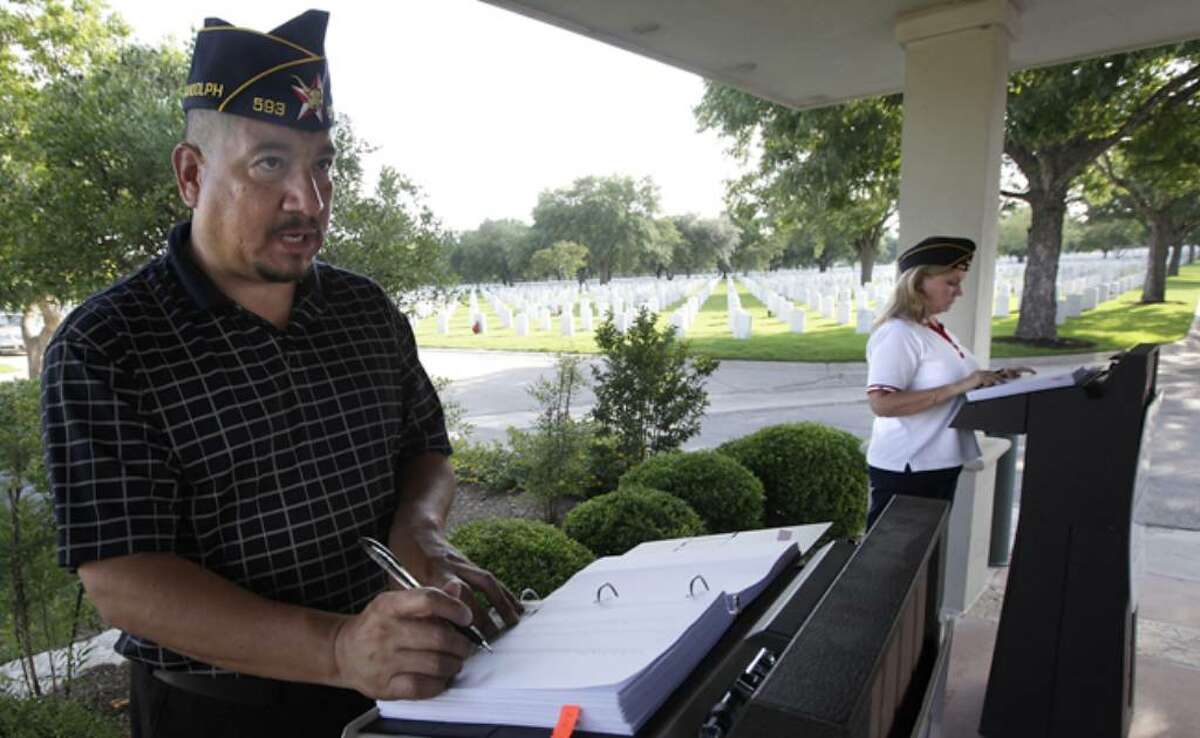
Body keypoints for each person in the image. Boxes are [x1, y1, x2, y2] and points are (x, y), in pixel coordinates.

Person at [41, 11, 520, 737]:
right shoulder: (109, 344)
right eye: (270, 163)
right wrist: (335, 647)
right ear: (192, 174)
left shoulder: (363, 308)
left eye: (323, 163)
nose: (311, 200)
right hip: (218, 712)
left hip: (392, 681)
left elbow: (424, 447)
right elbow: (124, 579)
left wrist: (420, 532)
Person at [864, 236, 1032, 528]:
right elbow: (882, 404)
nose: (959, 292)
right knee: (897, 565)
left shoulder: (935, 330)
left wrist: (990, 379)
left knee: (925, 560)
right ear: (917, 283)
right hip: (910, 466)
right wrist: (962, 385)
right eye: (951, 282)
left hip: (939, 461)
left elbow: (958, 383)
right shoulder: (899, 333)